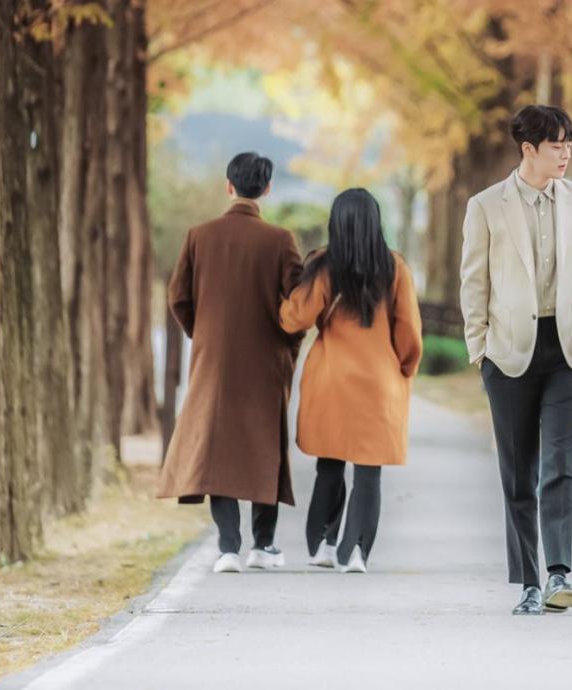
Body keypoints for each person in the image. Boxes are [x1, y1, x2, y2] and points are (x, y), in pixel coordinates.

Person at [459, 104, 572, 615]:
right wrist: (480, 350)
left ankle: (559, 572)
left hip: (570, 350)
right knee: (518, 468)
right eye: (556, 145)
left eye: (570, 144)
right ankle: (526, 579)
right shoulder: (485, 206)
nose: (566, 153)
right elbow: (474, 283)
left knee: (558, 463)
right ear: (529, 150)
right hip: (508, 353)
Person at [157, 152, 304, 573]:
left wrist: (201, 334)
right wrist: (289, 345)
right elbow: (296, 306)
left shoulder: (199, 235)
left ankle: (227, 548)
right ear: (268, 189)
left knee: (218, 446)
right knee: (263, 446)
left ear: (228, 186)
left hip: (213, 360)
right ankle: (264, 545)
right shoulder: (281, 240)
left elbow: (177, 297)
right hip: (265, 359)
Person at [280, 188, 423, 574]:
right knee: (368, 470)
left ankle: (323, 545)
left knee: (330, 463)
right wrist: (404, 369)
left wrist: (283, 303)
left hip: (331, 378)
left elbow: (297, 318)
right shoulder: (395, 268)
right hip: (379, 381)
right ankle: (355, 551)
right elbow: (408, 331)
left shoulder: (323, 265)